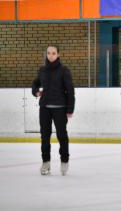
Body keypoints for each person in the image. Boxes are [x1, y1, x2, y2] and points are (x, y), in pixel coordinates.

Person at [32, 45, 75, 176]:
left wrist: (70, 109)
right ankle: (46, 162)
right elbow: (35, 83)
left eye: (53, 53)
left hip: (60, 108)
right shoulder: (42, 70)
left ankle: (64, 161)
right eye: (48, 53)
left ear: (58, 54)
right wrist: (36, 92)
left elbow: (70, 90)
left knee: (62, 136)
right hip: (44, 107)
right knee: (44, 136)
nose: (50, 55)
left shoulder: (64, 70)